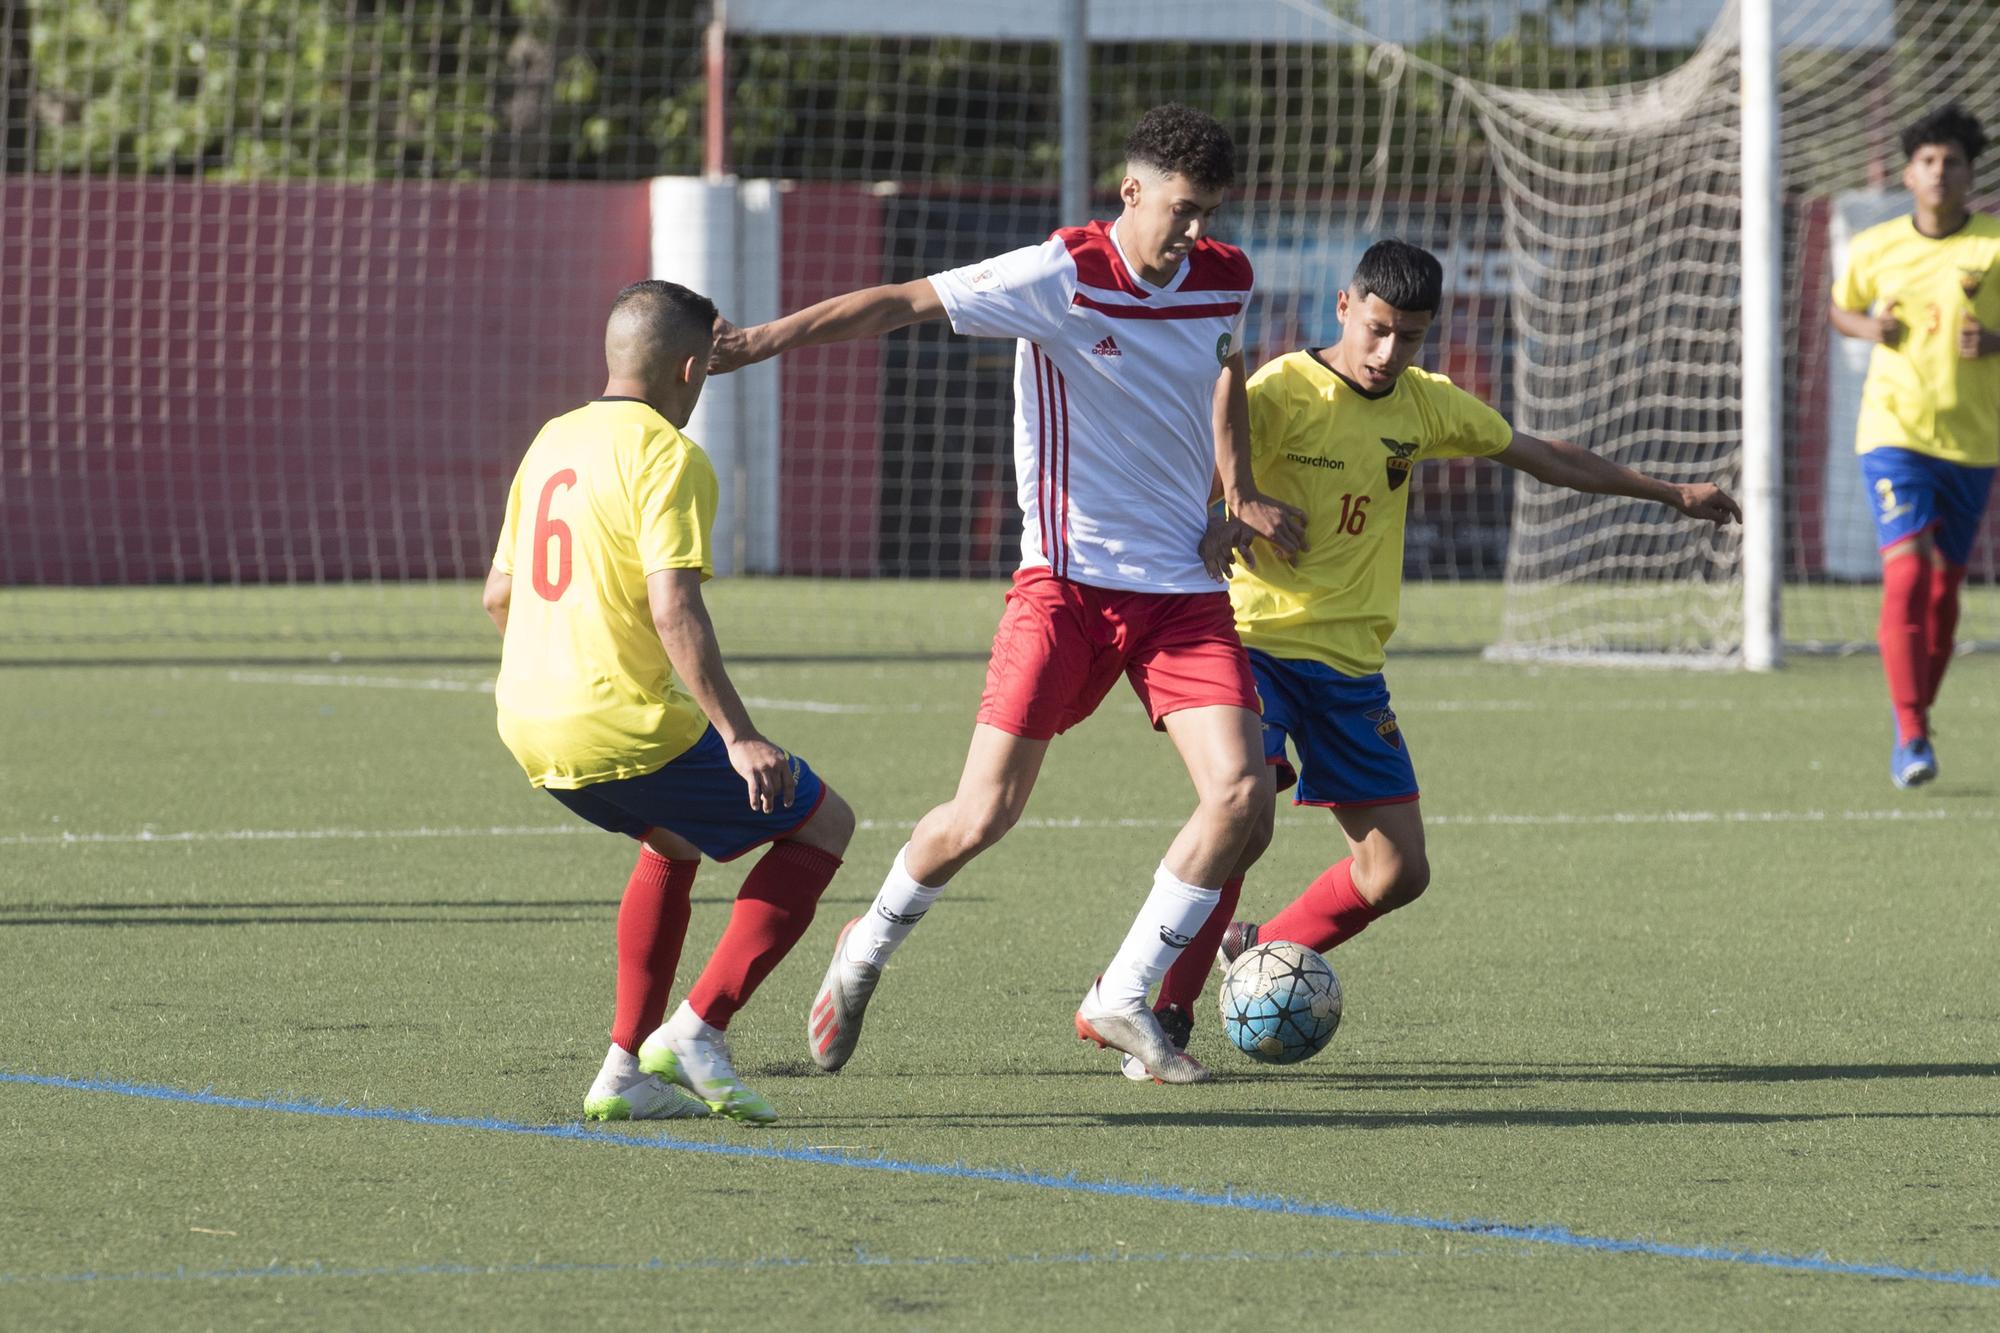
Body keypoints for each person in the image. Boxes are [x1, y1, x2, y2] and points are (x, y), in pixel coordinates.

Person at [709, 104, 1306, 1084]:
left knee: (1243, 797)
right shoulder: (1059, 273)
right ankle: (864, 947)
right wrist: (763, 340)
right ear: (1131, 194)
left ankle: (1124, 996)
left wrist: (1235, 491)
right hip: (1063, 587)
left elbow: (1225, 368)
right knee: (981, 814)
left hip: (1180, 590)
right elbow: (899, 301)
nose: (1196, 232)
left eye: (1209, 213)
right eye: (1181, 210)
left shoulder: (1225, 277)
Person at [1118, 239, 1740, 1077]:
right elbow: (1204, 474)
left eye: (1409, 338)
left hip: (1350, 667)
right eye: (1376, 330)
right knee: (1245, 814)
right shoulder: (1279, 391)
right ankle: (1162, 1014)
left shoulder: (1427, 404)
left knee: (1397, 871)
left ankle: (1259, 947)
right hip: (1255, 643)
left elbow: (1543, 455)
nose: (1387, 353)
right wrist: (1234, 508)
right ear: (1343, 307)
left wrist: (1670, 494)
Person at [483, 279, 855, 1124]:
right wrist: (740, 734)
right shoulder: (668, 455)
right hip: (619, 722)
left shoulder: (552, 440)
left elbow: (499, 596)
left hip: (527, 723)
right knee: (824, 822)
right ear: (692, 368)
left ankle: (623, 1069)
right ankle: (699, 1028)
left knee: (674, 835)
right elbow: (673, 607)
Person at [1829, 102, 2000, 789]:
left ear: (1969, 173)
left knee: (1943, 589)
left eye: (1951, 161)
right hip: (1893, 432)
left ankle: (1918, 715)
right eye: (1927, 160)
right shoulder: (1875, 247)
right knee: (1905, 572)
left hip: (1973, 439)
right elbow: (1842, 309)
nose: (1938, 172)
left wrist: (1995, 342)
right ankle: (1910, 733)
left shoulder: (1992, 246)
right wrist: (1870, 330)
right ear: (1908, 172)